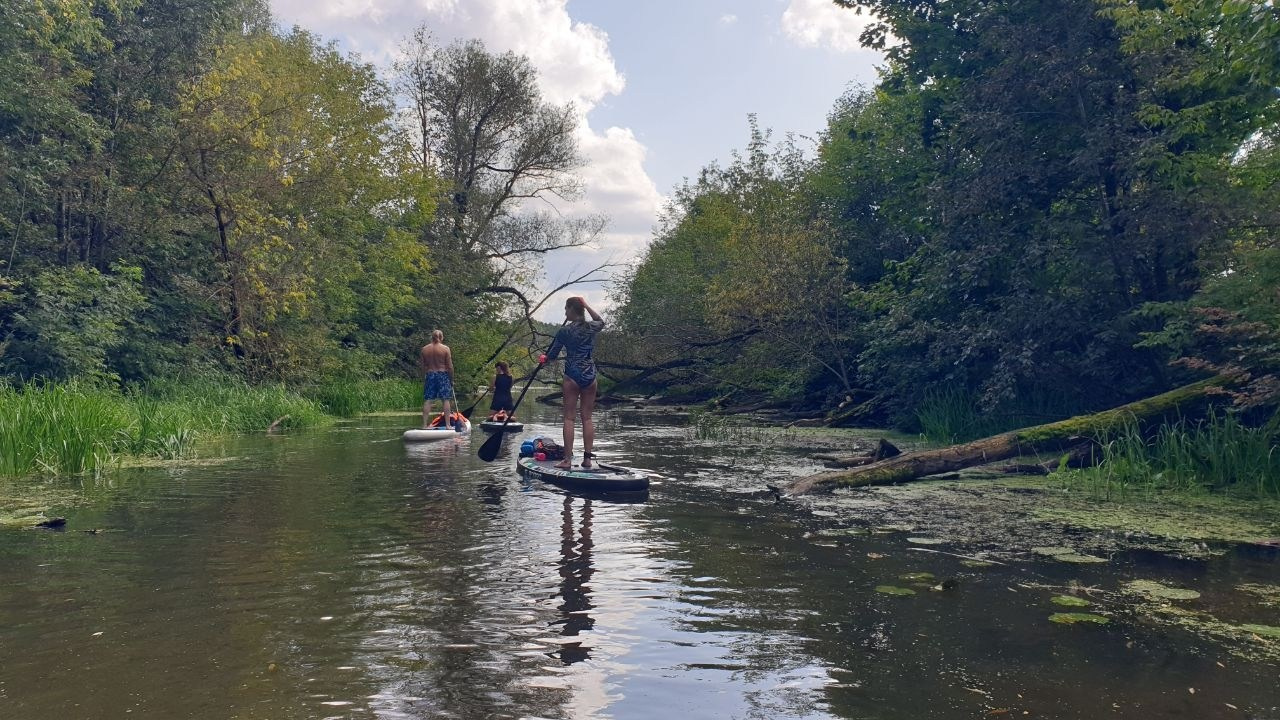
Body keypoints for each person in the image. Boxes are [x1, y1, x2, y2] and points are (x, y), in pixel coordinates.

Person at [540, 297, 605, 469]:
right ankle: (587, 459)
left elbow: (552, 355)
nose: (565, 312)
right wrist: (587, 305)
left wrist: (544, 358)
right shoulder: (591, 327)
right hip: (590, 375)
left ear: (571, 310)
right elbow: (600, 321)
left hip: (572, 375)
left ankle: (567, 460)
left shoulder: (564, 331)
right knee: (587, 418)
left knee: (569, 418)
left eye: (566, 309)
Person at [419, 329, 459, 430]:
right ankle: (447, 425)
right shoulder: (445, 349)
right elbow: (450, 366)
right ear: (441, 337)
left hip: (430, 374)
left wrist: (424, 377)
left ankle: (424, 425)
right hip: (442, 374)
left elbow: (423, 367)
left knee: (428, 400)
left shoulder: (424, 349)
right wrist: (451, 379)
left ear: (431, 337)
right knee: (445, 399)